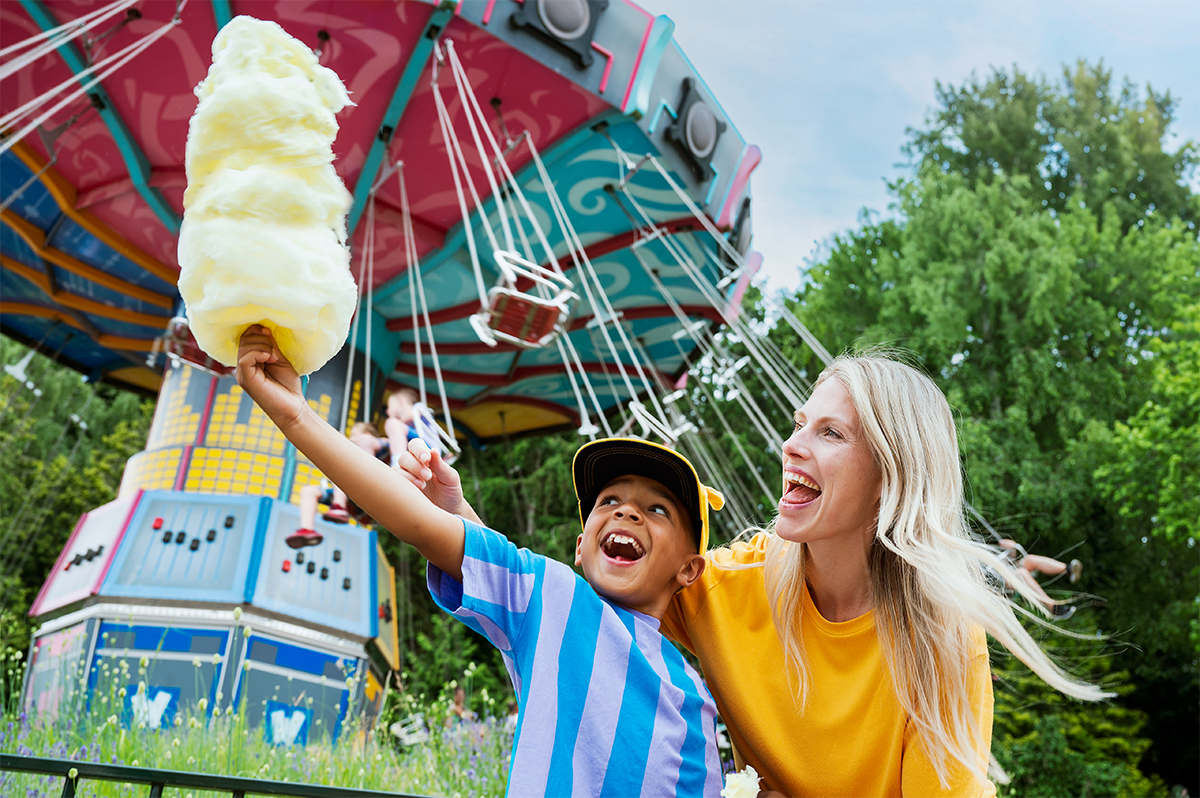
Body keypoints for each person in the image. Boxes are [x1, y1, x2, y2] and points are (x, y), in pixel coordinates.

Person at [395, 353, 1107, 797]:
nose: (792, 446)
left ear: (892, 474)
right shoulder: (732, 584)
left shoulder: (939, 642)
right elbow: (562, 610)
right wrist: (459, 517)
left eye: (829, 434)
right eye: (800, 425)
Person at [236, 325, 725, 798]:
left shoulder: (695, 696)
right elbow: (424, 528)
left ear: (689, 568)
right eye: (608, 500)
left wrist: (456, 513)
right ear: (581, 546)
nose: (626, 510)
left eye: (658, 508)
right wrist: (295, 415)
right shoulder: (557, 599)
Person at [286, 421, 389, 548]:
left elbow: (375, 442)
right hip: (353, 495)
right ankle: (307, 529)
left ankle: (339, 506)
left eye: (354, 435)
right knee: (309, 491)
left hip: (376, 485)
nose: (351, 438)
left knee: (341, 463)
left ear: (367, 433)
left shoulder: (376, 442)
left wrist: (342, 441)